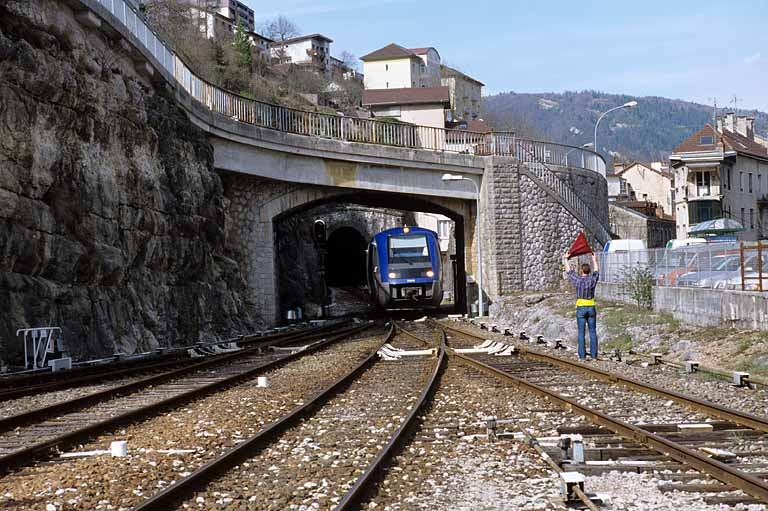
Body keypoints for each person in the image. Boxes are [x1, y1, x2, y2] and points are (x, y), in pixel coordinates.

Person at [562, 253, 600, 360]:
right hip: (591, 307)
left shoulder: (577, 281)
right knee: (593, 331)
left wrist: (565, 259)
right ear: (589, 271)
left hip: (581, 309)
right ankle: (594, 355)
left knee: (581, 332)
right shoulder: (592, 280)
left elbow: (569, 272)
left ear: (581, 271)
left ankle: (582, 356)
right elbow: (597, 271)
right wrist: (594, 259)